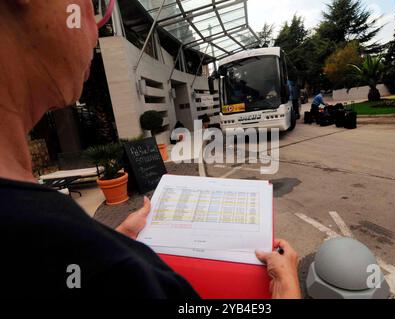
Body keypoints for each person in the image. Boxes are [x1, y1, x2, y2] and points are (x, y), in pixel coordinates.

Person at [0, 0, 301, 299]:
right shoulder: (61, 239)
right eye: (92, 6)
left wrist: (117, 241)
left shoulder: (46, 236)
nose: (96, 30)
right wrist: (287, 290)